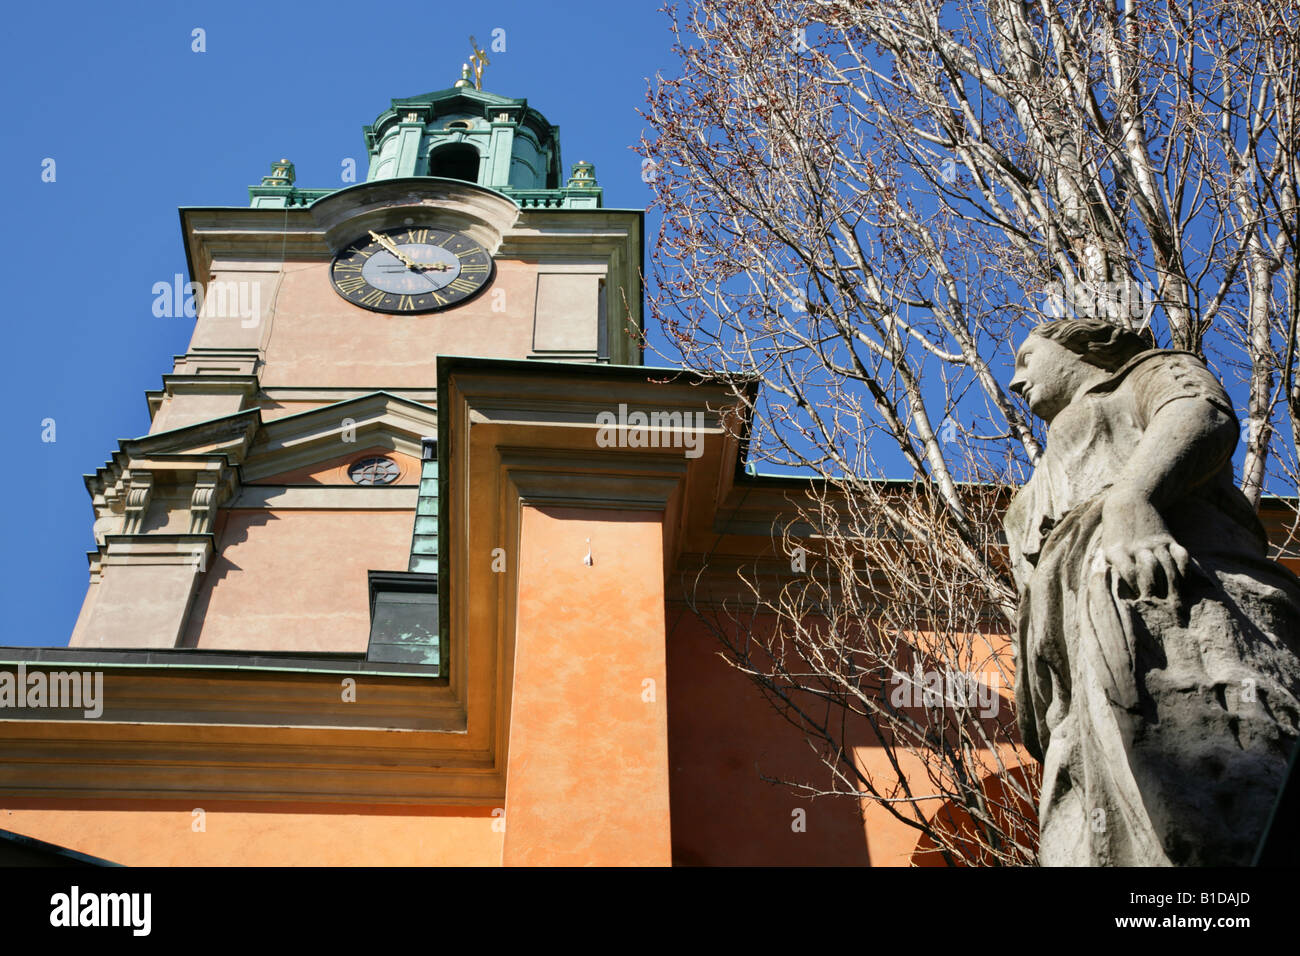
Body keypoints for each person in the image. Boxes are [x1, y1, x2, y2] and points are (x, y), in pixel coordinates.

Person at [1004, 318, 1300, 865]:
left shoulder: (1145, 374)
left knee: (1213, 778)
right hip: (1071, 663)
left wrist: (1132, 499)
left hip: (1173, 590)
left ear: (1083, 348)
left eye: (1026, 359)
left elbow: (1200, 414)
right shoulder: (1031, 492)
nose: (1015, 382)